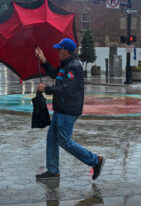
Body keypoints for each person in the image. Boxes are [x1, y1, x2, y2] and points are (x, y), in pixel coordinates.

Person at [35, 38, 105, 180]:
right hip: (60, 109)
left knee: (64, 141)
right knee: (52, 139)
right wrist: (43, 59)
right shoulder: (66, 65)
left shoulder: (74, 66)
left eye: (59, 49)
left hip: (68, 110)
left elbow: (66, 88)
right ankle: (53, 170)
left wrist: (47, 88)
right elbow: (55, 74)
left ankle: (95, 160)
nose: (57, 51)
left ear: (66, 50)